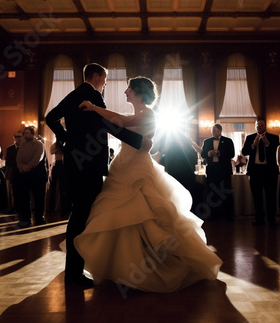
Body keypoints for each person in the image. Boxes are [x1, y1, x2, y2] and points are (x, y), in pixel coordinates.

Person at [75, 76, 222, 292]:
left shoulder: (148, 113)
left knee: (141, 211)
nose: (125, 92)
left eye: (128, 89)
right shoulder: (140, 113)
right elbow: (121, 123)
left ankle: (148, 265)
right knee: (123, 214)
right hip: (124, 164)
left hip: (137, 167)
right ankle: (122, 265)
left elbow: (121, 122)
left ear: (137, 92)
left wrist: (94, 107)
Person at [45, 63, 145, 287]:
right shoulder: (93, 96)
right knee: (82, 216)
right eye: (105, 77)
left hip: (75, 163)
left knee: (79, 214)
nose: (106, 82)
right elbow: (109, 126)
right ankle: (73, 274)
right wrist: (138, 142)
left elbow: (50, 117)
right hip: (89, 165)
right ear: (97, 75)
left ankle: (75, 270)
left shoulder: (74, 94)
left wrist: (67, 139)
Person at [241, 118, 280, 226]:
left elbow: (277, 151)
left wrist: (267, 143)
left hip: (270, 171)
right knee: (257, 197)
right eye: (258, 126)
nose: (259, 127)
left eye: (261, 125)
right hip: (255, 171)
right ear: (255, 127)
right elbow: (244, 152)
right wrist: (253, 145)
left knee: (271, 196)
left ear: (265, 126)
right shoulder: (250, 138)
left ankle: (272, 219)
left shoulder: (274, 137)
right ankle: (259, 219)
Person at [200, 124, 235, 220]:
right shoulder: (206, 141)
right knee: (212, 193)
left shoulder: (228, 141)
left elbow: (232, 153)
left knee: (226, 192)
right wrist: (208, 153)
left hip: (224, 171)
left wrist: (220, 153)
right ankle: (214, 215)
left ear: (220, 131)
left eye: (215, 131)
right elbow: (202, 154)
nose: (213, 132)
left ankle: (228, 215)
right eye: (212, 131)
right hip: (212, 171)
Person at [15, 126, 48, 228]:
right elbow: (18, 158)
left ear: (33, 134)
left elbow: (38, 158)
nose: (25, 135)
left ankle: (39, 218)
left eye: (28, 133)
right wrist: (21, 167)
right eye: (24, 133)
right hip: (24, 174)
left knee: (38, 197)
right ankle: (25, 219)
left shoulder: (39, 145)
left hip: (37, 174)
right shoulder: (23, 145)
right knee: (24, 197)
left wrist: (28, 167)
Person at [5, 131, 22, 213]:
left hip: (21, 172)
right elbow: (8, 161)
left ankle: (19, 207)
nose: (18, 138)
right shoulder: (9, 148)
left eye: (20, 136)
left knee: (20, 191)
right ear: (14, 138)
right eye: (17, 137)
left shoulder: (24, 148)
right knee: (9, 191)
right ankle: (10, 207)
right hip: (11, 171)